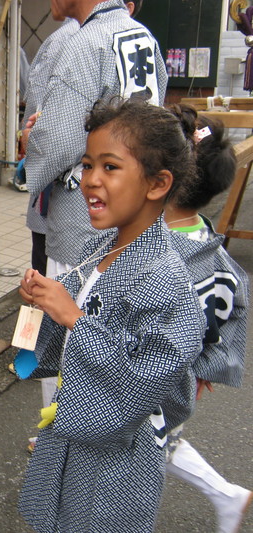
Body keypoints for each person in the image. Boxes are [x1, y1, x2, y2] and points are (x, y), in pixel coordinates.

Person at [18, 98, 204, 532]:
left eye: (110, 167)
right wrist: (41, 307)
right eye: (86, 165)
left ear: (157, 184)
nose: (90, 181)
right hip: (73, 434)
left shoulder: (165, 277)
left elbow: (144, 381)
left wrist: (75, 320)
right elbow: (53, 350)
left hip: (118, 460)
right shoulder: (97, 250)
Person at [24, 0, 165, 277]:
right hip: (133, 210)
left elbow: (56, 144)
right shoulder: (142, 35)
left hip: (84, 218)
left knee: (72, 310)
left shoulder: (85, 42)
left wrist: (30, 139)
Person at [162, 106, 251, 533]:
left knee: (142, 445)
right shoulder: (205, 238)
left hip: (153, 373)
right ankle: (226, 495)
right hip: (189, 373)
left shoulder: (160, 250)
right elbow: (229, 311)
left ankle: (225, 494)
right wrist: (210, 359)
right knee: (160, 438)